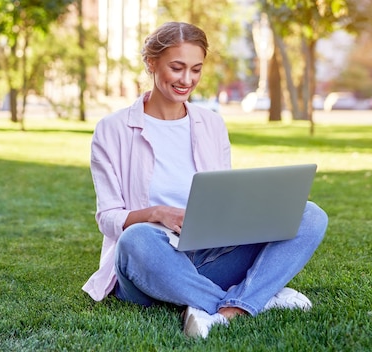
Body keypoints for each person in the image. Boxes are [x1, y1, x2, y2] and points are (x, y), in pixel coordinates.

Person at [82, 21, 328, 338]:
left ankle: (230, 310)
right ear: (151, 63)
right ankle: (258, 299)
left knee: (309, 214)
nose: (187, 80)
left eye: (196, 69)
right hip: (151, 261)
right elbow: (108, 218)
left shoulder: (211, 124)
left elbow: (221, 196)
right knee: (136, 240)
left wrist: (247, 209)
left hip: (209, 254)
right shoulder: (112, 129)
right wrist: (158, 213)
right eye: (177, 67)